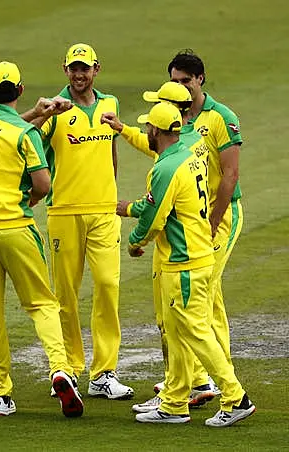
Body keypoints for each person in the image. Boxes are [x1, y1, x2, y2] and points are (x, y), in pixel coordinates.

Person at [0, 61, 83, 418]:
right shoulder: (24, 134)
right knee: (42, 304)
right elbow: (43, 184)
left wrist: (36, 115)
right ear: (21, 90)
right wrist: (26, 197)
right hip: (16, 228)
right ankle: (60, 368)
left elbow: (0, 133)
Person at [127, 102, 255, 427]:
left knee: (196, 331)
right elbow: (159, 202)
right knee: (177, 330)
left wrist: (134, 242)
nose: (146, 132)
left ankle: (235, 396)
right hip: (189, 257)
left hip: (183, 262)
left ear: (156, 130)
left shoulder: (167, 167)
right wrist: (130, 208)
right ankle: (173, 403)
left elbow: (155, 219)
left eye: (147, 128)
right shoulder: (188, 152)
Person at [101, 82, 219, 409]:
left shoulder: (172, 159)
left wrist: (136, 233)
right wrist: (123, 129)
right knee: (186, 320)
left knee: (174, 322)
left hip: (176, 245)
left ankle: (192, 387)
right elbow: (155, 153)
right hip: (193, 237)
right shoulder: (191, 140)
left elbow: (159, 207)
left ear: (167, 115)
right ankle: (182, 387)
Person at [37, 43, 133, 399]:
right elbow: (28, 141)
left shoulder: (110, 105)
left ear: (97, 69)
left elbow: (111, 152)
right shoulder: (55, 109)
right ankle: (69, 369)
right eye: (73, 69)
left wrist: (111, 194)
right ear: (65, 69)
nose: (79, 75)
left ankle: (104, 373)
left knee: (108, 286)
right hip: (63, 212)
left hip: (104, 212)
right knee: (65, 295)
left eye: (85, 69)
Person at [167, 49, 244, 395]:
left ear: (200, 80)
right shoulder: (174, 115)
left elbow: (230, 176)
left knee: (202, 295)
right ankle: (205, 374)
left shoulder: (221, 117)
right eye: (175, 82)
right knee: (208, 299)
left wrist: (213, 221)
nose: (181, 88)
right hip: (196, 220)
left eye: (186, 81)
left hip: (221, 216)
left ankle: (204, 380)